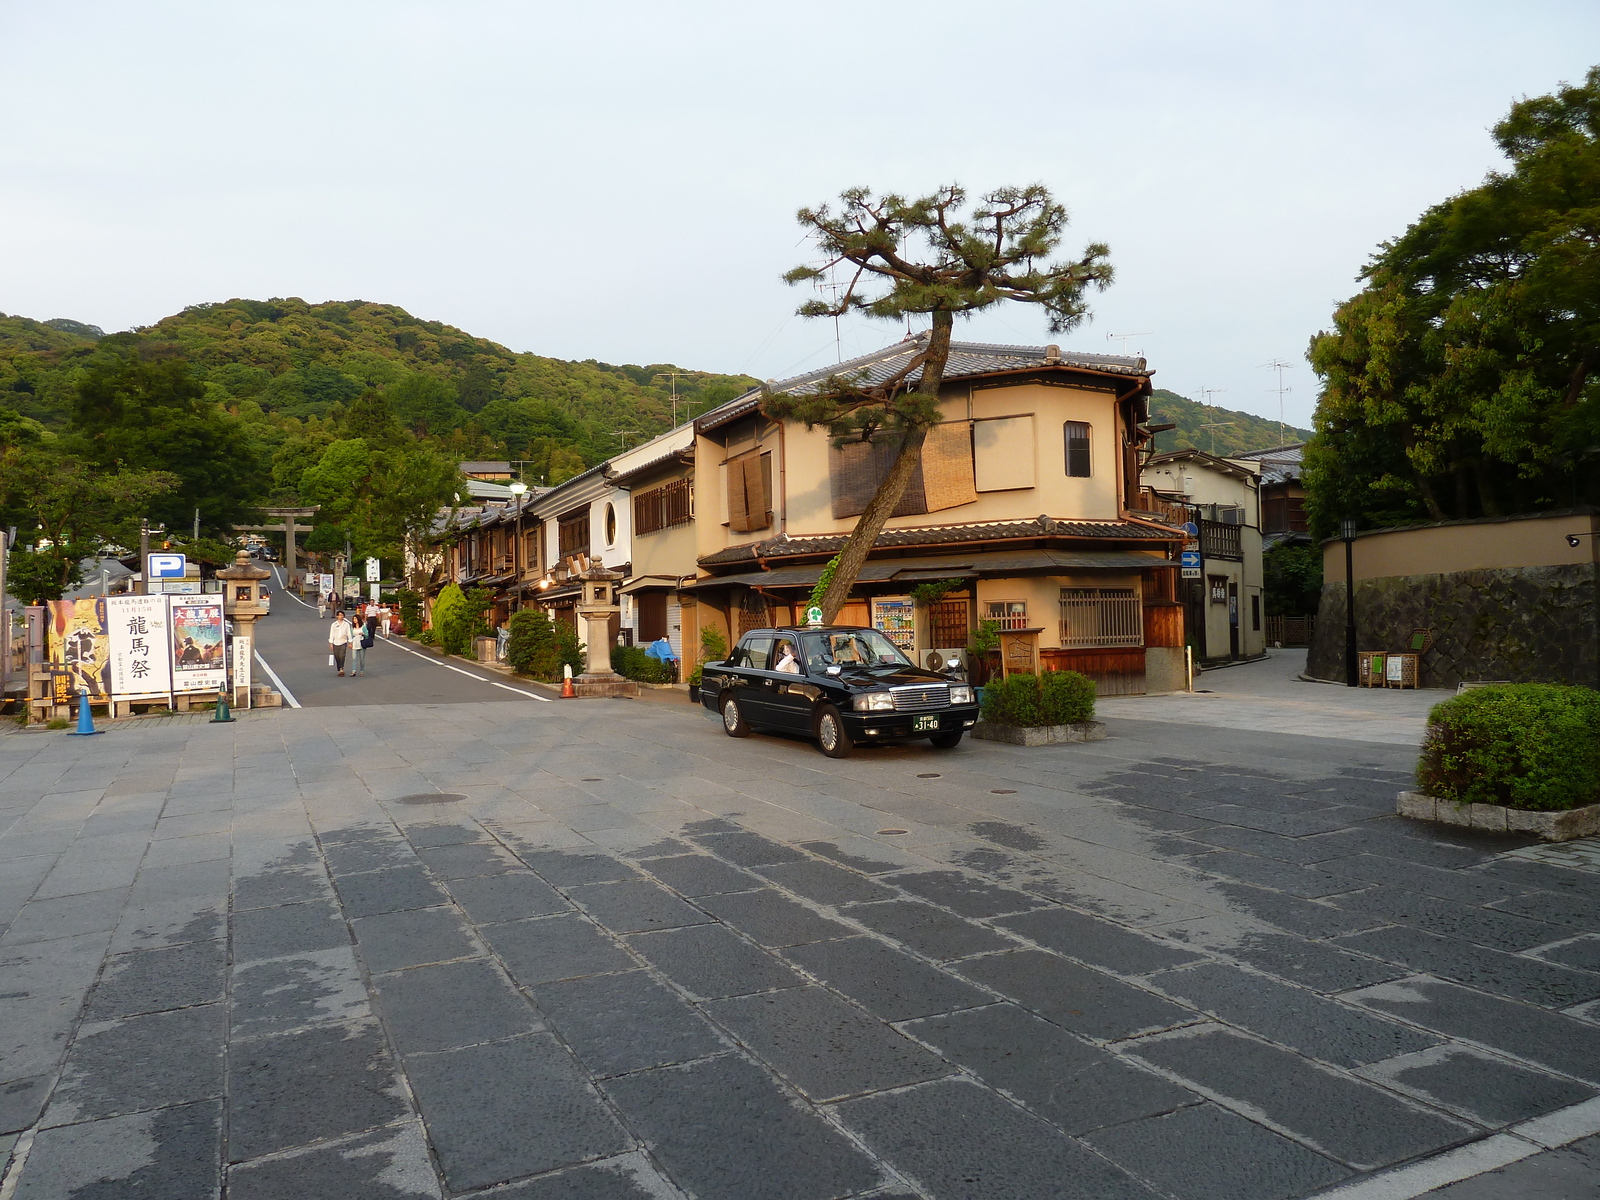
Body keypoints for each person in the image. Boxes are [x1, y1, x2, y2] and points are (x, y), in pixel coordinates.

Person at [329, 610, 354, 676]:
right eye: (339, 615)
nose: (341, 616)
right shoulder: (334, 625)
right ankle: (339, 667)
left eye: (342, 615)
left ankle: (341, 669)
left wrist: (350, 642)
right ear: (337, 616)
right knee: (337, 656)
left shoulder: (346, 624)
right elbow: (332, 634)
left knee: (342, 656)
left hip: (343, 642)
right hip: (335, 642)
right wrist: (331, 643)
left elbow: (349, 633)